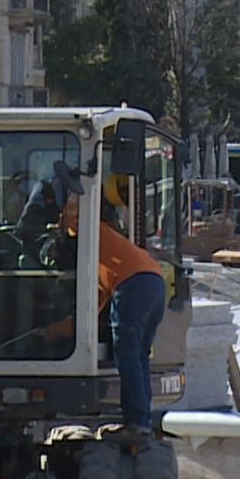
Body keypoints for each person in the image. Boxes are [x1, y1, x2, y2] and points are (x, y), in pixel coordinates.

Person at [46, 181, 168, 441]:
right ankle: (143, 419)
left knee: (127, 354)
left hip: (134, 285)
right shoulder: (105, 240)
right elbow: (99, 300)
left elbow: (69, 226)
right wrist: (70, 326)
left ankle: (136, 424)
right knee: (139, 356)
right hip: (154, 282)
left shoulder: (83, 230)